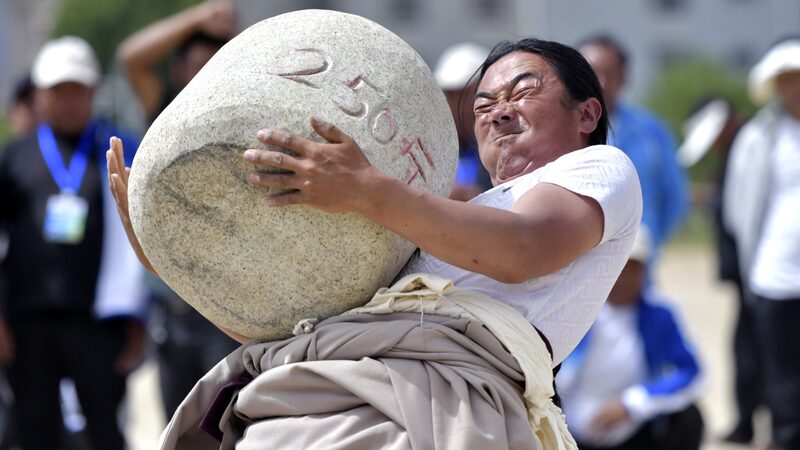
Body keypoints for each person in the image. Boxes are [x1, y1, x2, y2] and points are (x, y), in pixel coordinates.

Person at [108, 37, 642, 449]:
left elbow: (521, 250)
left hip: (431, 401)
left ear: (586, 114)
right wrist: (169, 260)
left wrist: (366, 189)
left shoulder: (600, 167)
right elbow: (298, 328)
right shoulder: (442, 220)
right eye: (483, 106)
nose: (500, 112)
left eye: (522, 92)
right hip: (325, 394)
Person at [0, 36, 147, 450]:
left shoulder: (119, 150)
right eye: (58, 90)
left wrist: (138, 321)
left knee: (105, 431)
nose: (68, 100)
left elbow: (142, 243)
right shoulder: (14, 157)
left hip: (99, 322)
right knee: (34, 432)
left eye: (77, 89)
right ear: (39, 95)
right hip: (27, 322)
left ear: (94, 91)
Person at [117, 0, 239, 419]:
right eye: (198, 66)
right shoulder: (165, 111)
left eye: (216, 67)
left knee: (225, 428)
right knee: (177, 428)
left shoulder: (242, 120)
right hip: (170, 309)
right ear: (179, 71)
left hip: (225, 308)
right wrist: (198, 17)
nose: (206, 77)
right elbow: (131, 56)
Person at [556, 226, 704, 450]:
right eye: (619, 266)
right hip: (572, 426)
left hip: (633, 430)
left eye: (633, 268)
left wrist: (632, 403)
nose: (624, 277)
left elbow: (691, 372)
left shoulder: (660, 314)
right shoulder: (574, 309)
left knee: (689, 418)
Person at [723, 37, 800, 450]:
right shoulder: (759, 136)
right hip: (776, 274)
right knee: (782, 377)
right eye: (786, 79)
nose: (794, 87)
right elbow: (739, 206)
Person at [678, 97, 763, 444]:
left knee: (760, 349)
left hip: (761, 273)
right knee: (748, 346)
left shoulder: (755, 144)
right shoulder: (736, 152)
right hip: (749, 272)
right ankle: (747, 422)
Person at [578, 35, 688, 259]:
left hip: (638, 258)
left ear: (624, 78)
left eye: (609, 74)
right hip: (579, 257)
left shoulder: (651, 132)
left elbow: (675, 196)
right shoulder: (560, 131)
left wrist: (651, 240)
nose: (600, 83)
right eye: (591, 74)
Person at [433, 42, 494, 201]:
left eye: (464, 92)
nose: (457, 103)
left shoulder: (501, 140)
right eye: (451, 93)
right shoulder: (436, 144)